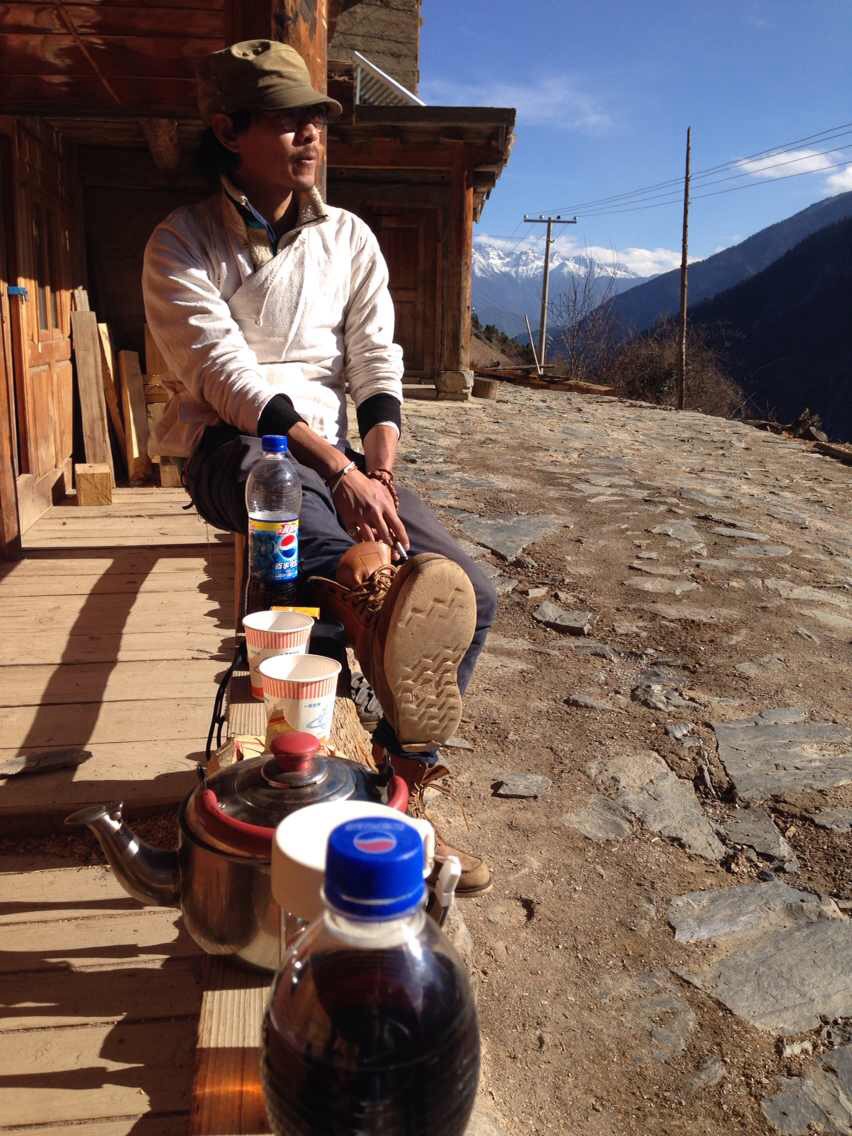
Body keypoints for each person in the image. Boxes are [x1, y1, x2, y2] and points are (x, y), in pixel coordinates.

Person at [142, 39, 496, 894]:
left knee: (471, 593)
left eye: (316, 121)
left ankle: (400, 784)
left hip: (342, 460)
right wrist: (339, 470)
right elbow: (229, 380)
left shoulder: (349, 238)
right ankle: (318, 783)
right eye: (287, 120)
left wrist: (379, 467)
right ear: (229, 130)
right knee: (325, 566)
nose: (310, 136)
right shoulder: (182, 243)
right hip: (238, 450)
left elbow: (376, 360)